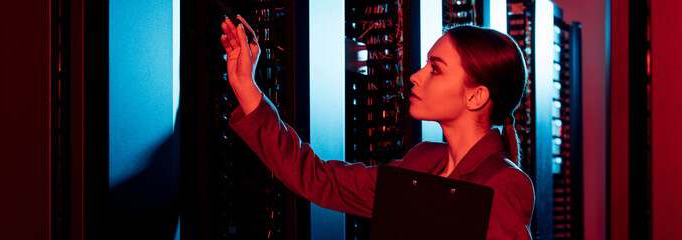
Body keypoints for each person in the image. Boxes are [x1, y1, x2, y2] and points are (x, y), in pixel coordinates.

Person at [220, 15, 534, 239]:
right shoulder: (422, 161)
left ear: (476, 96)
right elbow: (318, 179)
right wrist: (246, 86)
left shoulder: (503, 183)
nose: (416, 75)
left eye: (435, 69)